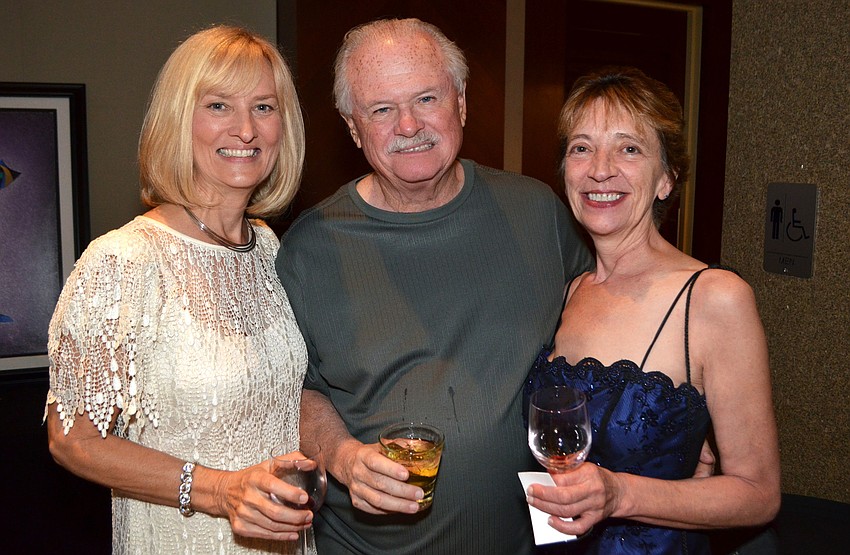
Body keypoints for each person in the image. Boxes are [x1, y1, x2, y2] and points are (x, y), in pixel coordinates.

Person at [275, 18, 593, 555]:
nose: (408, 125)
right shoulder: (311, 248)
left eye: (427, 98)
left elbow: (605, 319)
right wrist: (344, 455)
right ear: (354, 128)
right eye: (381, 110)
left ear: (461, 103)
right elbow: (297, 391)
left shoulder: (537, 213)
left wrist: (677, 432)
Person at [45, 26, 316, 554]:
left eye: (264, 107)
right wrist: (218, 489)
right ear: (177, 121)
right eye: (218, 106)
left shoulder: (269, 248)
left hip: (282, 538)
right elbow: (72, 441)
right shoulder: (122, 262)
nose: (245, 130)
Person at [524, 67, 781, 553]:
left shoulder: (713, 298)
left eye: (629, 148)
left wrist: (621, 494)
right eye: (582, 147)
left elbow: (758, 495)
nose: (600, 168)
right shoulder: (568, 292)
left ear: (666, 179)